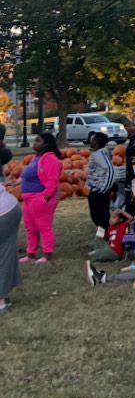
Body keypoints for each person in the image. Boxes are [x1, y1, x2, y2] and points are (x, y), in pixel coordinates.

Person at [19, 131, 62, 263]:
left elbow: (52, 181)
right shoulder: (35, 158)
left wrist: (44, 198)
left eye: (38, 140)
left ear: (46, 144)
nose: (34, 142)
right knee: (30, 227)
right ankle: (31, 253)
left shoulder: (50, 159)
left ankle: (47, 253)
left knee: (44, 226)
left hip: (40, 197)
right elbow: (29, 176)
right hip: (28, 198)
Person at [85, 131, 119, 236]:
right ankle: (102, 239)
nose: (91, 140)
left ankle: (107, 239)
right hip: (95, 190)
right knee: (97, 218)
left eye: (93, 139)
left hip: (99, 191)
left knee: (101, 218)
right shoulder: (98, 154)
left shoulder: (99, 154)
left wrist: (105, 189)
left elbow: (110, 170)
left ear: (97, 142)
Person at [0, 182, 20, 313]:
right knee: (6, 253)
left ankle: (0, 301)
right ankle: (4, 295)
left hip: (2, 214)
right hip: (11, 207)